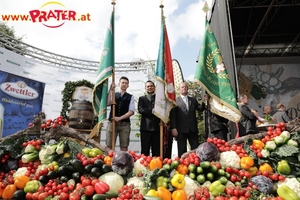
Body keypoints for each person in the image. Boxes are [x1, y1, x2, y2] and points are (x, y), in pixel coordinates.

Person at [170, 82, 207, 157]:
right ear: (179, 89)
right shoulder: (175, 101)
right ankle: (183, 165)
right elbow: (173, 116)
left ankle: (196, 164)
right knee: (182, 150)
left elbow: (200, 108)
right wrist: (173, 128)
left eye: (186, 87)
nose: (184, 88)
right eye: (182, 87)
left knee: (195, 149)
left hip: (192, 129)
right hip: (181, 129)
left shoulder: (192, 100)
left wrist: (204, 101)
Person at [106, 76, 135, 151]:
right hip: (112, 123)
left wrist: (119, 118)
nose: (124, 84)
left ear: (128, 85)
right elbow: (108, 103)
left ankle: (123, 162)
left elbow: (131, 111)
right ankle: (109, 162)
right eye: (123, 83)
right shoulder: (113, 94)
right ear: (119, 84)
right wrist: (110, 89)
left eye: (126, 83)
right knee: (109, 146)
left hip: (125, 124)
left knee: (124, 146)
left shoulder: (130, 97)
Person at [137, 80, 161, 156]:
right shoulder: (141, 98)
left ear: (154, 87)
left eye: (151, 86)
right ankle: (143, 167)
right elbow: (141, 110)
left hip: (157, 128)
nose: (149, 88)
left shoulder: (159, 98)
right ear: (145, 88)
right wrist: (152, 111)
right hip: (145, 128)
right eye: (148, 86)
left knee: (156, 150)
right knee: (145, 150)